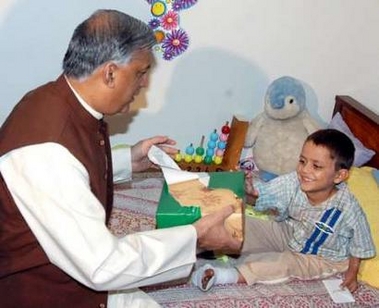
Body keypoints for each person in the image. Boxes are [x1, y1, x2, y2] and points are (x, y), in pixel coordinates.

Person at [0, 9, 241, 308]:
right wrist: (196, 238)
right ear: (110, 73)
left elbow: (68, 176)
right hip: (48, 291)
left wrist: (129, 160)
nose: (144, 85)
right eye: (141, 73)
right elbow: (103, 266)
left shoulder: (55, 100)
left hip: (75, 276)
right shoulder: (46, 151)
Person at [192, 129, 375, 293]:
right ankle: (191, 247)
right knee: (239, 223)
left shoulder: (348, 208)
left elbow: (360, 243)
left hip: (322, 256)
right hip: (290, 232)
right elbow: (263, 195)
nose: (304, 170)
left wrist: (352, 273)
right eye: (302, 161)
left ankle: (222, 276)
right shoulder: (294, 181)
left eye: (316, 166)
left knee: (282, 263)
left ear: (339, 175)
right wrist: (250, 193)